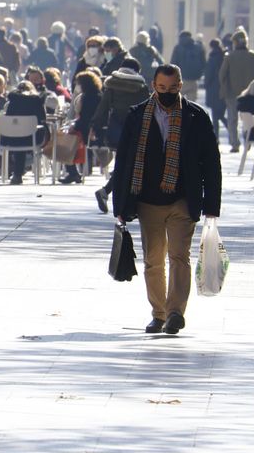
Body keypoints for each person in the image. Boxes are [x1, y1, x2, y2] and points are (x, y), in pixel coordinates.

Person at [110, 64, 222, 336]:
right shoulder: (137, 116)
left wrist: (211, 206)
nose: (167, 93)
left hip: (183, 198)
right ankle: (158, 313)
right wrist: (120, 205)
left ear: (180, 86)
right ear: (153, 86)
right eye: (161, 88)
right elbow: (123, 162)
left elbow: (211, 162)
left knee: (179, 256)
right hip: (147, 200)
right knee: (153, 260)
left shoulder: (196, 116)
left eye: (172, 88)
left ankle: (175, 313)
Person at [218, 30, 254, 152]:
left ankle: (235, 144)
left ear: (235, 43)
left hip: (232, 93)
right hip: (251, 94)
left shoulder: (229, 57)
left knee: (232, 120)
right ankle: (247, 141)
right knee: (248, 119)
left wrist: (224, 89)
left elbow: (222, 75)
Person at [93, 56, 150, 151]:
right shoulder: (142, 88)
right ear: (137, 71)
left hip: (115, 132)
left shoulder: (111, 86)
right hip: (134, 132)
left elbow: (102, 108)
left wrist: (95, 126)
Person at [1, 77, 48, 184]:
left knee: (19, 136)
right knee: (25, 135)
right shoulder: (37, 100)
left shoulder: (12, 101)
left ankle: (17, 174)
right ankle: (21, 171)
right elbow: (42, 118)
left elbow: (9, 118)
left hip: (12, 138)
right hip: (33, 138)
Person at [62, 68, 103, 185]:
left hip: (87, 131)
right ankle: (73, 171)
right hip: (96, 129)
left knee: (65, 140)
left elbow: (85, 118)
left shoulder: (88, 97)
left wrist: (74, 126)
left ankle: (72, 171)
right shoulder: (98, 95)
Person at [204, 38, 227, 142]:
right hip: (224, 88)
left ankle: (216, 137)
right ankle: (224, 132)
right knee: (220, 114)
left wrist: (206, 84)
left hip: (213, 89)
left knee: (215, 115)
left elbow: (209, 74)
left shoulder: (212, 58)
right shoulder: (225, 57)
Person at [169, 31, 205, 99]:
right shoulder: (198, 47)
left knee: (177, 101)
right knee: (191, 102)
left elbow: (173, 63)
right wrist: (200, 74)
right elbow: (203, 63)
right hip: (194, 79)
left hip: (181, 79)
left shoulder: (177, 47)